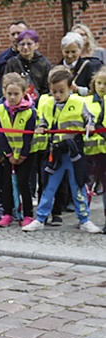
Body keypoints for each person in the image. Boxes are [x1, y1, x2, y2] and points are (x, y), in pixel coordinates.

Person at [22, 67, 99, 233]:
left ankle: (84, 219)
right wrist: (41, 127)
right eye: (54, 91)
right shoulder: (47, 103)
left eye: (61, 91)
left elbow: (90, 118)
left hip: (74, 153)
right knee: (49, 187)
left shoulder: (79, 102)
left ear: (70, 88)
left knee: (77, 186)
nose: (57, 95)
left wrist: (90, 125)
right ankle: (40, 218)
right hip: (55, 152)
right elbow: (42, 120)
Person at [0, 72, 37, 228]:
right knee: (6, 183)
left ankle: (27, 214)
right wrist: (9, 154)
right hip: (9, 153)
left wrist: (21, 156)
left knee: (23, 183)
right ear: (4, 93)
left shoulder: (30, 112)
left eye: (16, 94)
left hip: (26, 154)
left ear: (24, 93)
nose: (12, 97)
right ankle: (7, 213)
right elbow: (1, 134)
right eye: (9, 94)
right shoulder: (0, 110)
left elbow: (28, 137)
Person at [4, 30, 51, 98]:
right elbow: (6, 84)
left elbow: (47, 87)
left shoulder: (44, 63)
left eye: (29, 44)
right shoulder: (12, 63)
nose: (25, 47)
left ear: (36, 45)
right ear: (17, 46)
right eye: (22, 44)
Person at [88, 67, 106, 232]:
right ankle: (84, 218)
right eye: (99, 83)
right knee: (86, 185)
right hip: (91, 152)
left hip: (105, 151)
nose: (101, 87)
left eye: (105, 84)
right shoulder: (87, 101)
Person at [59, 32, 102, 97]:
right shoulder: (57, 68)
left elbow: (95, 92)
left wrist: (78, 89)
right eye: (66, 52)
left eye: (73, 52)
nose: (70, 55)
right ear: (62, 50)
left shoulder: (89, 67)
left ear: (80, 50)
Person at [0, 20, 28, 95]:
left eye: (19, 33)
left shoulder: (33, 58)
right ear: (9, 37)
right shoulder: (2, 58)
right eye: (13, 34)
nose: (16, 37)